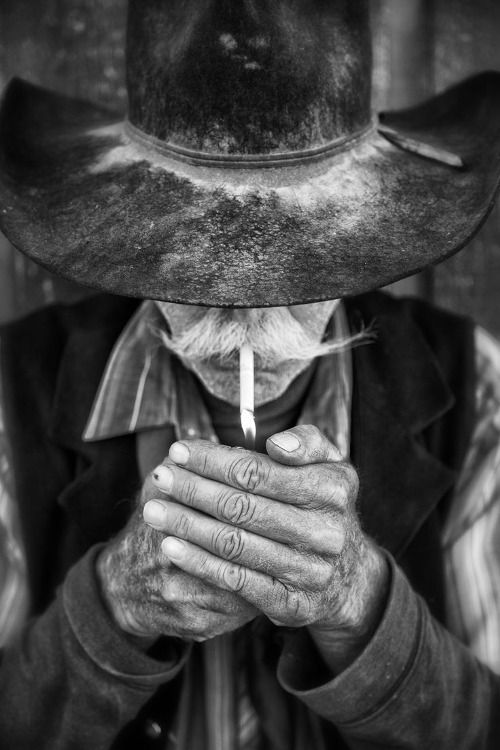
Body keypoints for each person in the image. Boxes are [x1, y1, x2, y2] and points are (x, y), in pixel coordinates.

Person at [1, 1, 500, 748]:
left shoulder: (479, 385)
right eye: (192, 258)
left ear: (367, 234)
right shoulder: (11, 390)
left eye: (297, 259)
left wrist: (362, 609)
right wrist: (111, 610)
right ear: (128, 230)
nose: (245, 315)